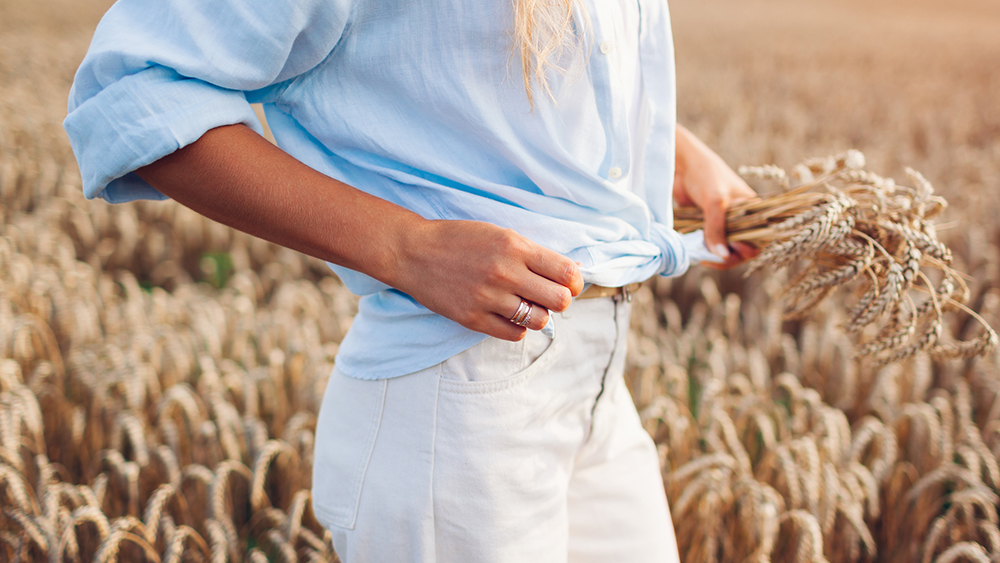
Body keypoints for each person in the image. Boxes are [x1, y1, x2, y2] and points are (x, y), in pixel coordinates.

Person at [65, 0, 757, 561]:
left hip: (599, 384)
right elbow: (137, 86)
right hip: (455, 400)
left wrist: (671, 152)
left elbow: (488, 69)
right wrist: (407, 247)